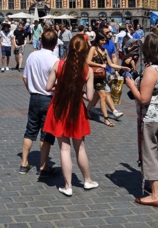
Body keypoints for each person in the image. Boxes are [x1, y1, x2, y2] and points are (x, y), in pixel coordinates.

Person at [124, 34, 158, 208]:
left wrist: (131, 85)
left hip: (153, 117)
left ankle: (155, 194)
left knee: (150, 154)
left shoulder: (151, 70)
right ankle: (157, 186)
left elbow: (143, 99)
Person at [43, 36, 98, 196]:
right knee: (80, 147)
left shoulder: (58, 64)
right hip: (76, 109)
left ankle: (68, 186)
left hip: (59, 108)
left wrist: (60, 86)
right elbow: (89, 96)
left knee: (64, 149)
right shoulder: (88, 70)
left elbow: (47, 87)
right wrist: (78, 90)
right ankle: (87, 181)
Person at [19, 28, 59, 177]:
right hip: (49, 99)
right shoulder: (55, 60)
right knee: (46, 133)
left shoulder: (32, 56)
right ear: (55, 44)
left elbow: (25, 78)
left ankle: (24, 164)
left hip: (34, 97)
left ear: (41, 41)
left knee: (30, 130)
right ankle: (43, 166)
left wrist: (31, 90)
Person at [86, 31, 129, 127]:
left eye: (105, 40)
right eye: (102, 40)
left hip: (102, 76)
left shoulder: (104, 51)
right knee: (103, 96)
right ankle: (106, 119)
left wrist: (122, 68)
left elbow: (111, 64)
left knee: (97, 96)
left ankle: (87, 110)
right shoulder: (93, 48)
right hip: (95, 76)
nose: (103, 42)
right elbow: (87, 61)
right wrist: (100, 65)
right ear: (97, 40)